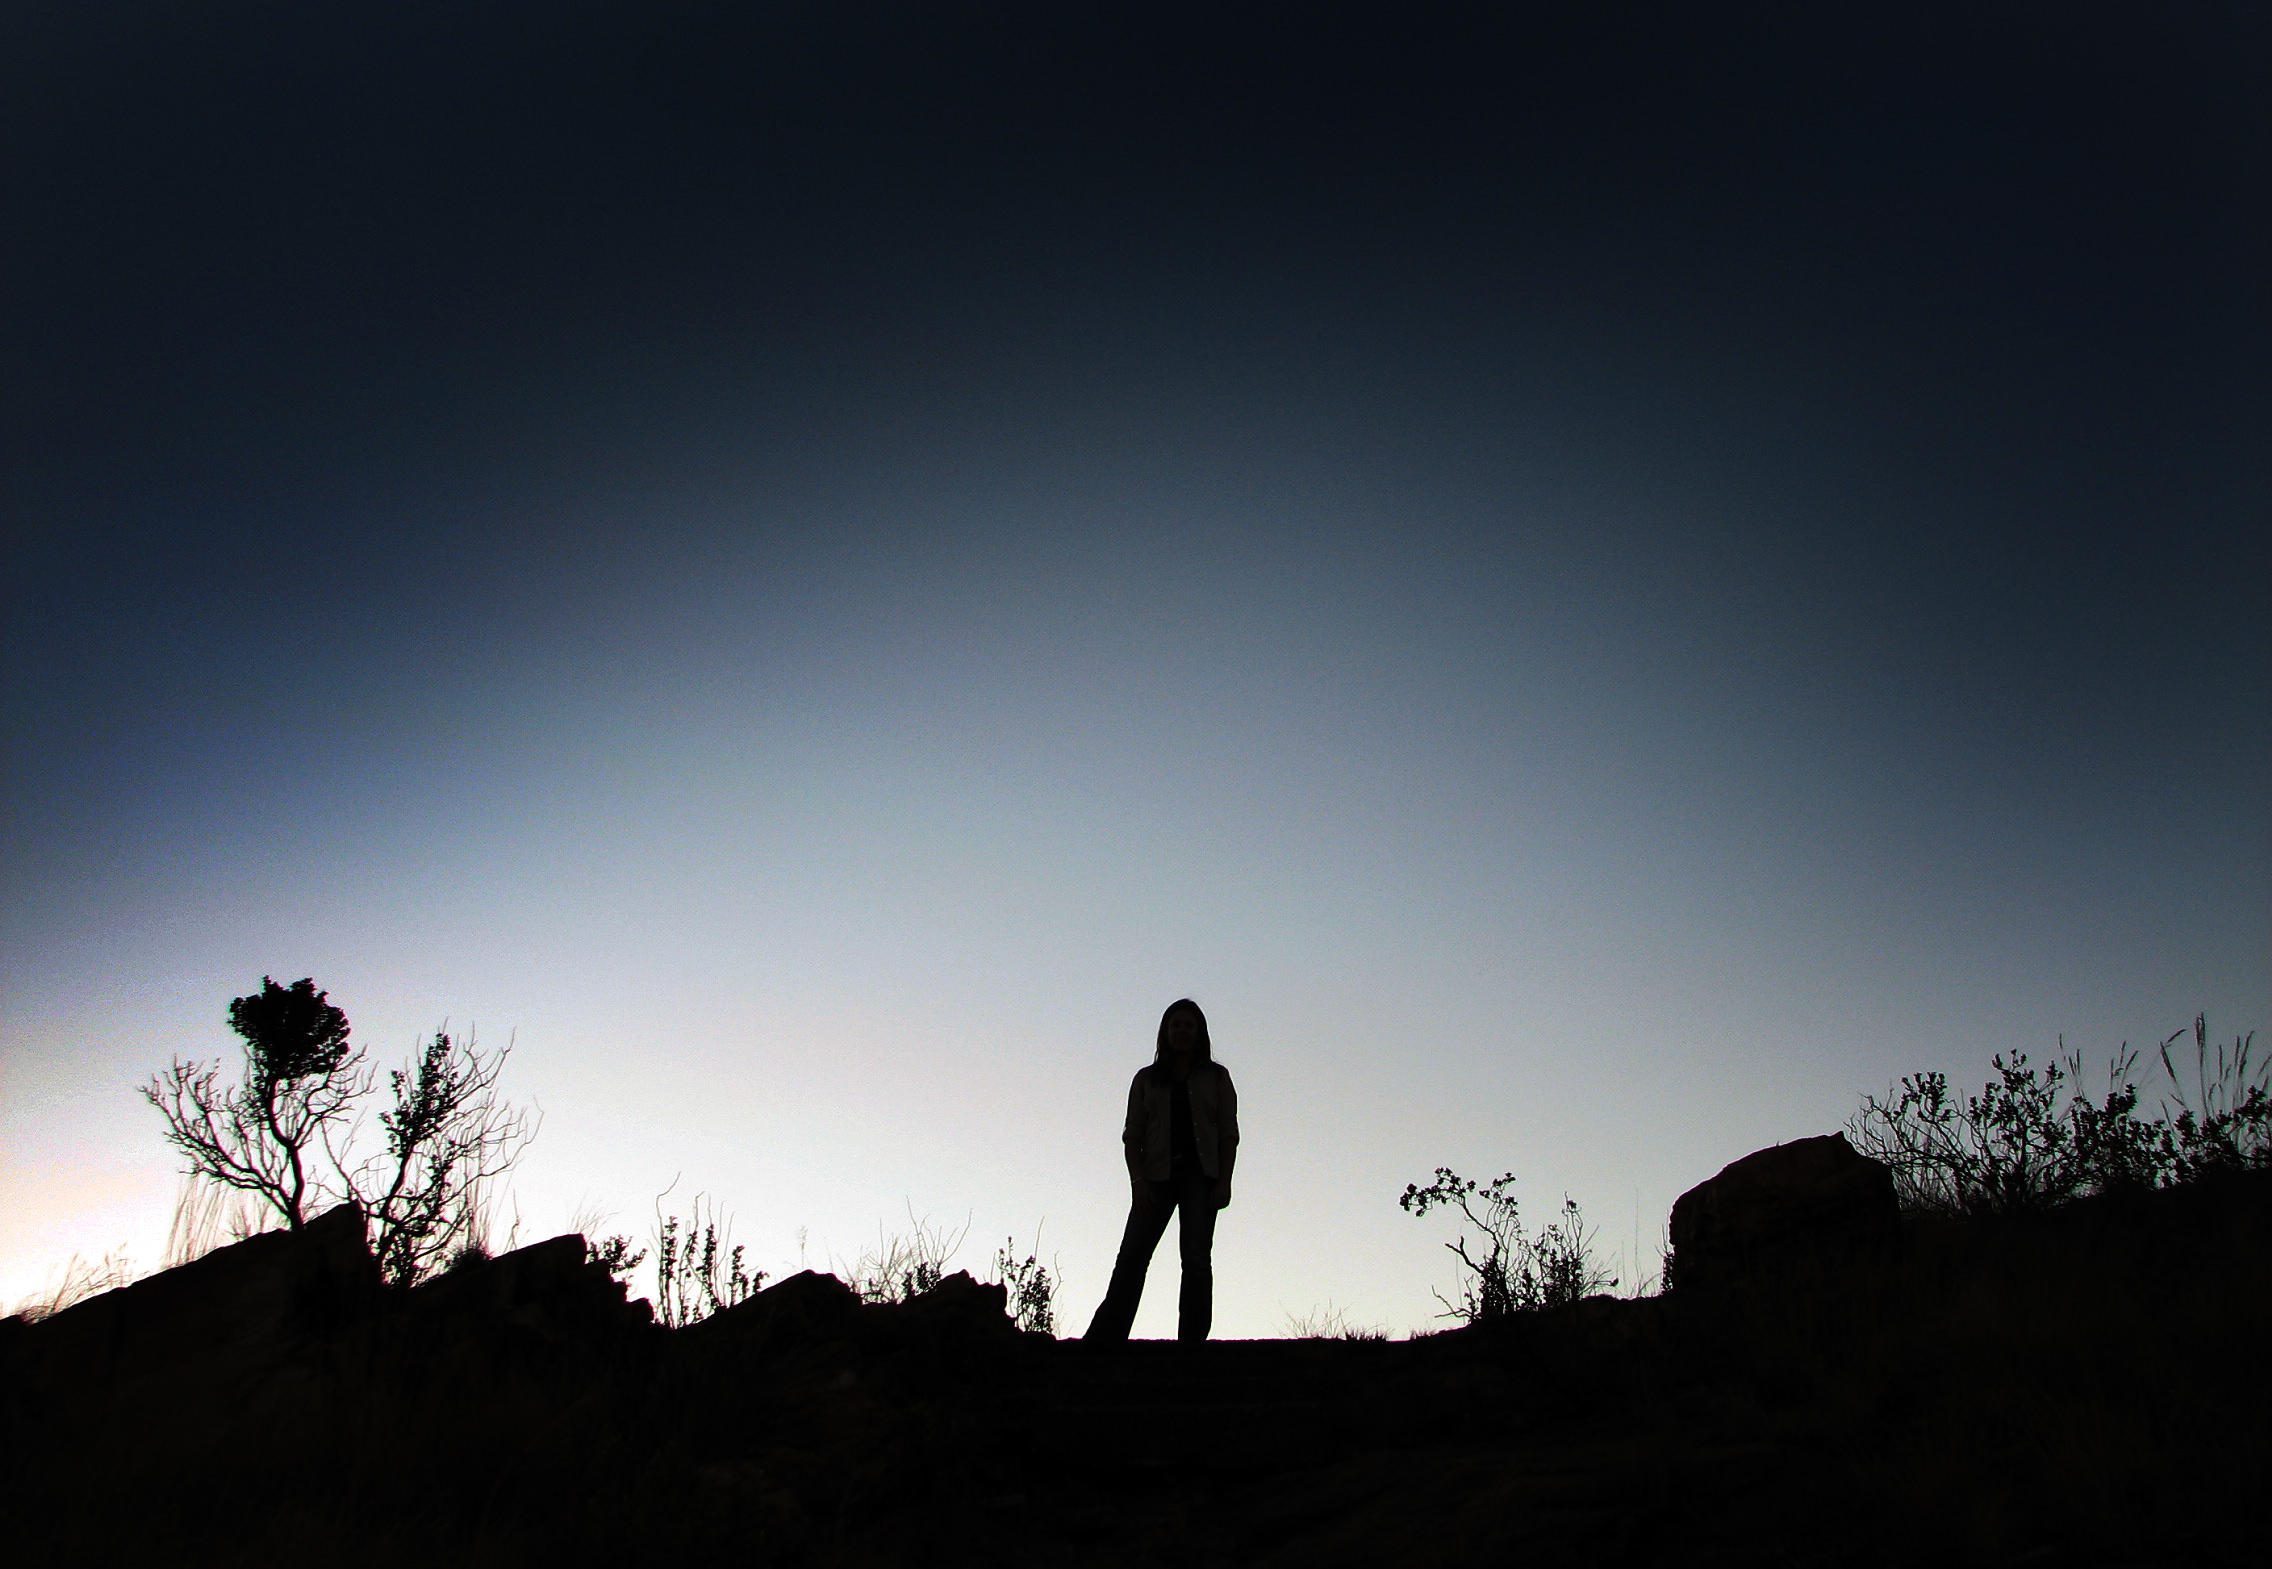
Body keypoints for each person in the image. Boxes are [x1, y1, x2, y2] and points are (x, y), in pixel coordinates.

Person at [1082, 997, 1240, 1346]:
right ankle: (1105, 1340)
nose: (1182, 1031)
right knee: (1132, 1256)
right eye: (1176, 1025)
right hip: (1154, 1178)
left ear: (1200, 1033)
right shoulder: (1146, 1079)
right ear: (1165, 1032)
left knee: (1196, 1259)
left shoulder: (1217, 1077)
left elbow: (1228, 1133)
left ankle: (1192, 1343)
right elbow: (1132, 1136)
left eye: (1188, 1025)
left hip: (1201, 1177)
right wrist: (1137, 1181)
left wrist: (1224, 1182)